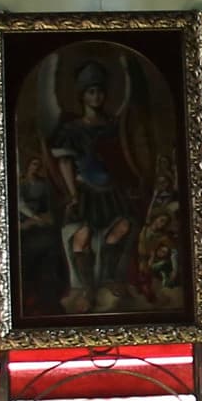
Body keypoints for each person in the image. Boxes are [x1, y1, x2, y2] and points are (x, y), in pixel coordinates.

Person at [39, 58, 153, 314]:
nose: (97, 96)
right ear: (82, 95)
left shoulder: (113, 126)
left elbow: (124, 156)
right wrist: (72, 194)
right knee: (82, 236)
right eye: (91, 91)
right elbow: (66, 163)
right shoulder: (71, 129)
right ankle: (86, 288)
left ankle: (110, 280)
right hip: (85, 193)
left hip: (111, 193)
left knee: (121, 229)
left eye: (100, 91)